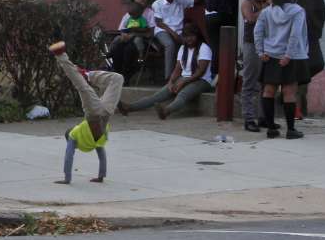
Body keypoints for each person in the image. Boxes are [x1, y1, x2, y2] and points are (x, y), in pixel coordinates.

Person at [48, 41, 122, 185]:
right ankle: (61, 56)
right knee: (83, 86)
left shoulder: (91, 142)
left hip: (100, 114)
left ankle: (87, 74)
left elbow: (98, 155)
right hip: (100, 113)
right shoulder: (73, 136)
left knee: (115, 79)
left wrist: (68, 179)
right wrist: (100, 176)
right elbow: (70, 156)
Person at [117, 24, 214, 119]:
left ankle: (166, 111)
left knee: (183, 94)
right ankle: (129, 107)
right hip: (184, 78)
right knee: (157, 96)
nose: (189, 39)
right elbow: (177, 69)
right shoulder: (183, 48)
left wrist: (183, 82)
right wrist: (171, 82)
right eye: (186, 36)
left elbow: (201, 71)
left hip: (202, 80)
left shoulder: (204, 48)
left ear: (197, 36)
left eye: (192, 36)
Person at [255, 0, 309, 139]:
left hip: (270, 54)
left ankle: (271, 128)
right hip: (290, 57)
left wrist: (260, 51)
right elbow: (295, 34)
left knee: (268, 90)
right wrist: (288, 55)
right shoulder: (298, 11)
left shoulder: (266, 12)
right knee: (289, 91)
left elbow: (257, 31)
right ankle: (291, 129)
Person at [287, 0, 325, 119]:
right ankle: (297, 110)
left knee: (316, 64)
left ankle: (293, 97)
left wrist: (317, 30)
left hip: (310, 35)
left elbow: (321, 10)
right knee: (295, 70)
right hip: (289, 36)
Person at [240, 0, 271, 133]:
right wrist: (265, 7)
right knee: (250, 82)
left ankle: (263, 117)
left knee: (265, 84)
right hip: (252, 45)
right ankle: (249, 118)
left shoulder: (270, 4)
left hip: (268, 46)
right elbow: (251, 18)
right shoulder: (247, 4)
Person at [151, 0, 194, 82]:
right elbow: (159, 22)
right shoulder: (157, 3)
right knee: (170, 44)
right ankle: (168, 78)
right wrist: (174, 34)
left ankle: (187, 74)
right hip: (163, 30)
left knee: (190, 43)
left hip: (179, 31)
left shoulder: (180, 0)